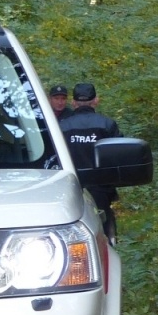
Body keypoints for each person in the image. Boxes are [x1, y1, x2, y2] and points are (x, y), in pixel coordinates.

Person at [56, 81, 121, 236]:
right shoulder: (107, 124)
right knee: (103, 232)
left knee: (70, 230)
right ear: (96, 100)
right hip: (101, 188)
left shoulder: (62, 127)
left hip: (70, 187)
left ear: (73, 102)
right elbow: (119, 156)